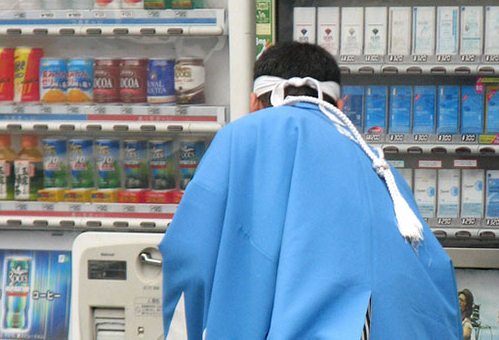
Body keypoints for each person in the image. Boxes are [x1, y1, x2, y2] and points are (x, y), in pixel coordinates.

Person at [160, 42, 462, 339]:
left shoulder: (239, 137)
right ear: (339, 107)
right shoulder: (375, 163)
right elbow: (431, 274)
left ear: (254, 103)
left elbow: (190, 255)